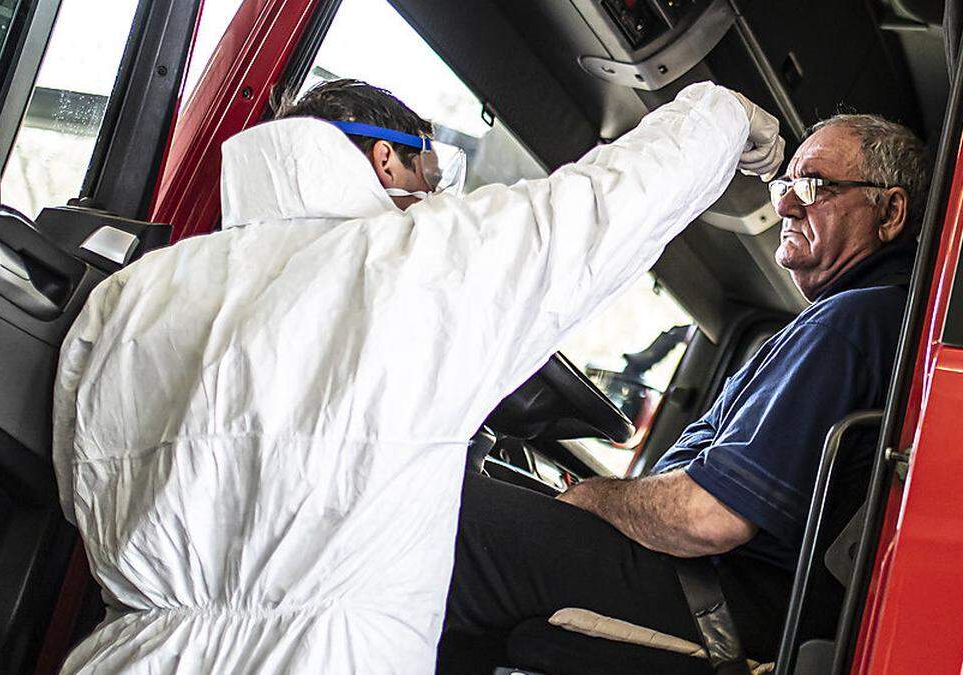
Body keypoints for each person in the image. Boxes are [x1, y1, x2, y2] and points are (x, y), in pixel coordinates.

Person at [50, 78, 784, 674]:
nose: (439, 199)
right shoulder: (410, 264)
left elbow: (81, 487)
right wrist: (721, 111)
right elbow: (608, 204)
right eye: (434, 176)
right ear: (385, 161)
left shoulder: (128, 297)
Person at [439, 114, 929, 674]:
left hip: (723, 607)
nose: (788, 205)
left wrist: (590, 498)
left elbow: (709, 518)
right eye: (784, 185)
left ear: (889, 212)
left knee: (457, 523)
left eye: (813, 186)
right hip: (731, 597)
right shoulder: (878, 318)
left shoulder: (853, 321)